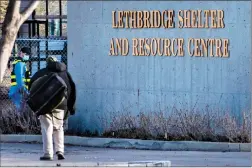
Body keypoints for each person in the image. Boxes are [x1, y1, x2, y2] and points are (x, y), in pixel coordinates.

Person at [29, 56, 76, 161]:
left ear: (47, 63)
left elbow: (31, 86)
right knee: (58, 128)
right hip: (61, 104)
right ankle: (60, 151)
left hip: (45, 104)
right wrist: (71, 107)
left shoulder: (41, 73)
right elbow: (71, 90)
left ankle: (48, 153)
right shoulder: (65, 74)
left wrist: (35, 104)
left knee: (47, 128)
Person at [9, 47, 31, 111]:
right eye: (26, 54)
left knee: (19, 110)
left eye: (28, 55)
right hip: (19, 91)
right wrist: (24, 90)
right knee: (19, 111)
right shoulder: (20, 63)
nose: (27, 56)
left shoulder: (20, 63)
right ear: (21, 53)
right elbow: (20, 78)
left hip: (17, 90)